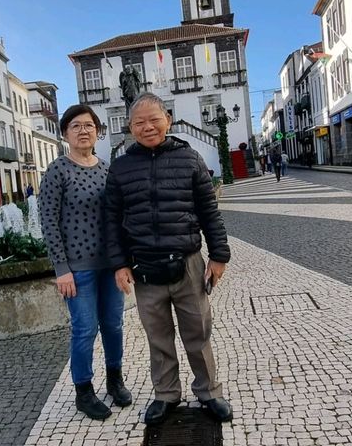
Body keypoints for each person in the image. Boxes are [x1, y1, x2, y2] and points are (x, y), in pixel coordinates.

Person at [104, 93, 233, 426]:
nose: (147, 127)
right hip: (144, 267)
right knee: (157, 336)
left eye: (154, 119)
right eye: (139, 122)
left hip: (188, 262)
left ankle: (209, 392)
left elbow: (209, 211)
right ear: (129, 128)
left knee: (198, 332)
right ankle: (166, 394)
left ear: (168, 120)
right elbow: (111, 219)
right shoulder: (119, 168)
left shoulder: (189, 159)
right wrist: (119, 263)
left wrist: (218, 255)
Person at [38, 104, 131, 421]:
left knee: (114, 325)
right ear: (65, 133)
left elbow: (119, 216)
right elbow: (48, 221)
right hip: (78, 269)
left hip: (111, 265)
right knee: (84, 329)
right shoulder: (57, 171)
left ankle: (115, 379)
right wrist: (61, 269)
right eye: (75, 125)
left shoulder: (107, 169)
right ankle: (84, 391)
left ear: (97, 130)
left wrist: (124, 261)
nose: (83, 130)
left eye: (89, 125)